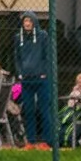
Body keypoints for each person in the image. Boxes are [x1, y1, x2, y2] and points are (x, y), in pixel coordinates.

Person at [14, 13, 55, 147]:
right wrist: (20, 73)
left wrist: (44, 72)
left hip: (41, 79)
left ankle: (46, 141)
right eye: (25, 21)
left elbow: (47, 55)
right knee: (29, 110)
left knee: (44, 110)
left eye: (29, 21)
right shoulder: (18, 37)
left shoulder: (43, 36)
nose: (27, 23)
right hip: (26, 79)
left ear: (34, 22)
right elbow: (17, 58)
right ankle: (30, 141)